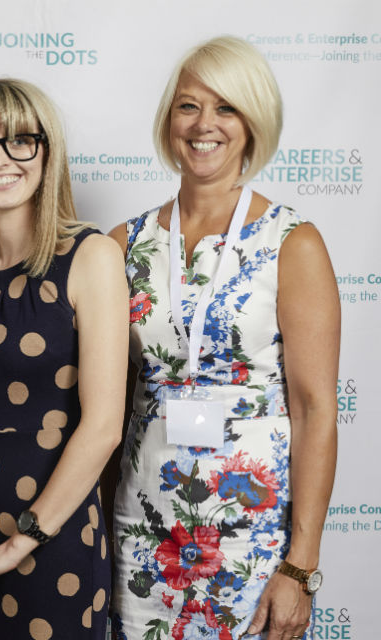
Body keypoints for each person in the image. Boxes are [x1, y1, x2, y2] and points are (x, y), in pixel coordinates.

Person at [108, 36, 339, 640]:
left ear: (253, 121)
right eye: (188, 105)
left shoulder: (294, 243)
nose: (204, 124)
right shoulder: (121, 245)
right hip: (143, 538)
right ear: (168, 120)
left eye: (226, 107)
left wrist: (302, 565)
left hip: (254, 546)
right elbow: (100, 407)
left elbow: (315, 411)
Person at [0, 78, 128, 639]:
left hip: (53, 538)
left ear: (47, 151)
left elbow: (104, 427)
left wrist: (18, 545)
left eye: (21, 141)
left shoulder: (93, 256)